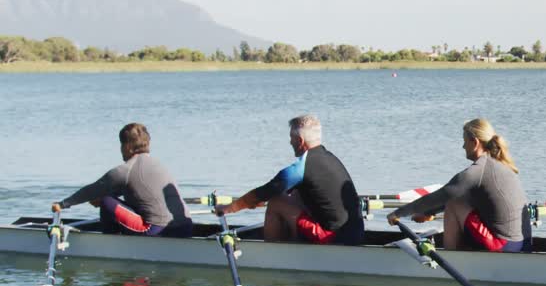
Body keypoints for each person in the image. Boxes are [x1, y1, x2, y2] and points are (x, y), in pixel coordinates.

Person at [217, 114, 364, 245]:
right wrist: (257, 200)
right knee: (291, 195)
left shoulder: (299, 169)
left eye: (291, 138)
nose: (290, 142)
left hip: (334, 238)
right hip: (354, 233)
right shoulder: (330, 158)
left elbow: (263, 192)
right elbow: (273, 192)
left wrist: (230, 208)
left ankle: (274, 254)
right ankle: (294, 241)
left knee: (276, 203)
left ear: (300, 140)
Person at [387, 118, 529, 252]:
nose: (463, 146)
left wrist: (398, 213)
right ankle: (464, 251)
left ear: (475, 142)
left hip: (501, 245)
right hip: (519, 244)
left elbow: (441, 196)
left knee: (453, 205)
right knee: (459, 201)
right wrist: (428, 212)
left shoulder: (476, 171)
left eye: (464, 141)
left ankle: (453, 257)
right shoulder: (502, 166)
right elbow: (460, 198)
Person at [52, 123, 193, 237]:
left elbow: (91, 191)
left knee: (106, 202)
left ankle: (111, 245)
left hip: (155, 230)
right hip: (185, 228)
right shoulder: (160, 165)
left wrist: (63, 204)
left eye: (121, 145)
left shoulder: (125, 170)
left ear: (127, 147)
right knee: (105, 199)